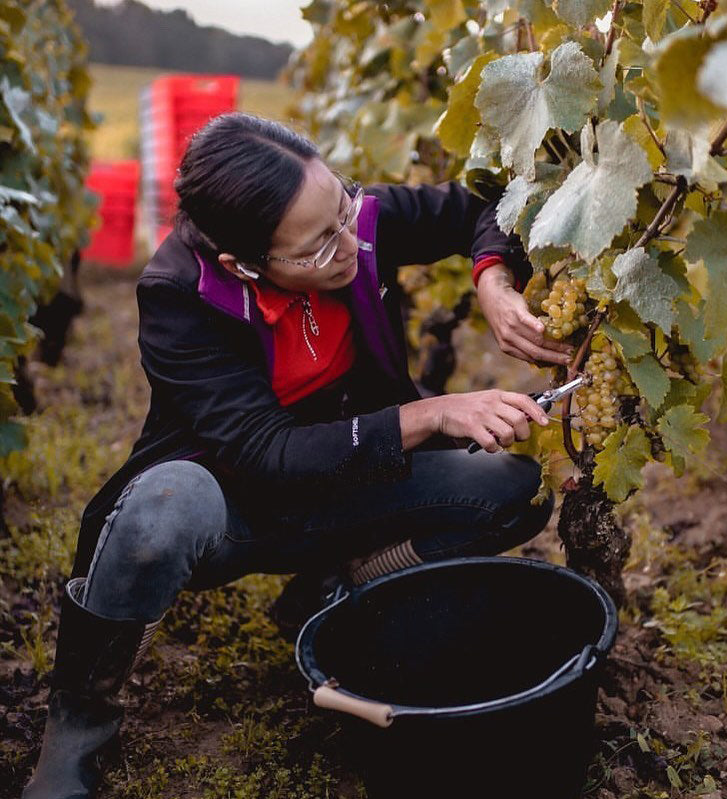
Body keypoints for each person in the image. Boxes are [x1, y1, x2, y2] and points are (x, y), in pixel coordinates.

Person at [22, 113, 573, 799]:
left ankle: (327, 590)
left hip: (346, 481)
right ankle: (80, 717)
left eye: (344, 211)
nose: (349, 245)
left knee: (510, 489)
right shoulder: (180, 296)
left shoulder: (349, 226)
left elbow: (486, 205)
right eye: (317, 246)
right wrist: (432, 411)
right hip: (234, 506)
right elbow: (266, 451)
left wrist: (492, 277)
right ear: (244, 264)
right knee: (161, 509)